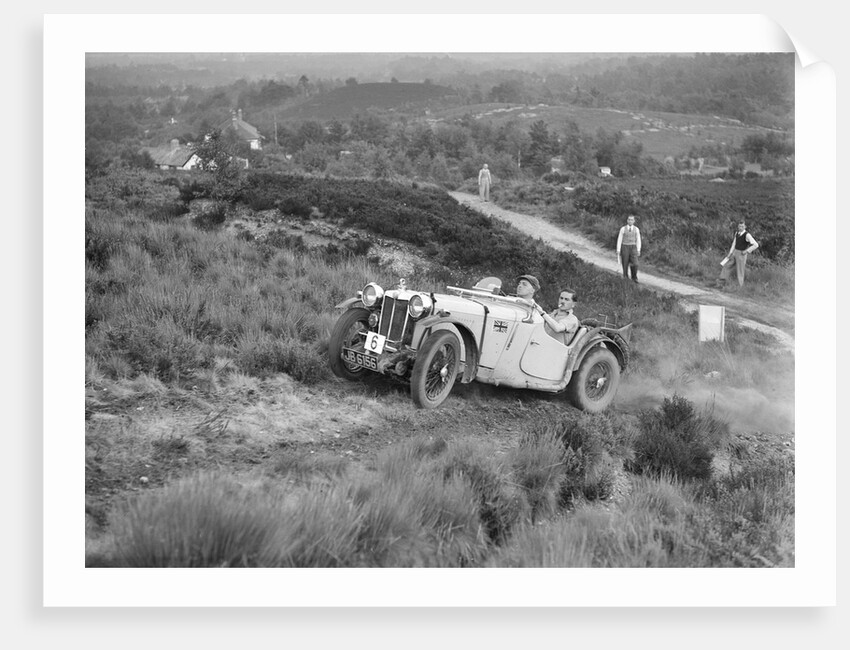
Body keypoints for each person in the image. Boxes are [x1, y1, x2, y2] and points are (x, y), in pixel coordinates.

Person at [718, 221, 759, 287]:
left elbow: (756, 245)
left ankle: (740, 286)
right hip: (735, 252)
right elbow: (734, 244)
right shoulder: (737, 233)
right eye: (739, 226)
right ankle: (722, 281)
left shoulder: (747, 235)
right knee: (727, 265)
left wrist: (747, 251)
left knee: (740, 270)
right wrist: (730, 253)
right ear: (738, 226)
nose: (741, 228)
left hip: (742, 254)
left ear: (745, 227)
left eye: (742, 226)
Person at [616, 215, 641, 283]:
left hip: (633, 247)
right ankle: (625, 277)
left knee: (635, 263)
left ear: (634, 221)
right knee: (625, 262)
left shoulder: (636, 229)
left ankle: (634, 277)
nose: (630, 221)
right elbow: (619, 239)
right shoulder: (623, 229)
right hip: (625, 246)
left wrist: (638, 249)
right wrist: (618, 249)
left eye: (632, 220)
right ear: (627, 220)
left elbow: (638, 240)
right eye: (629, 219)